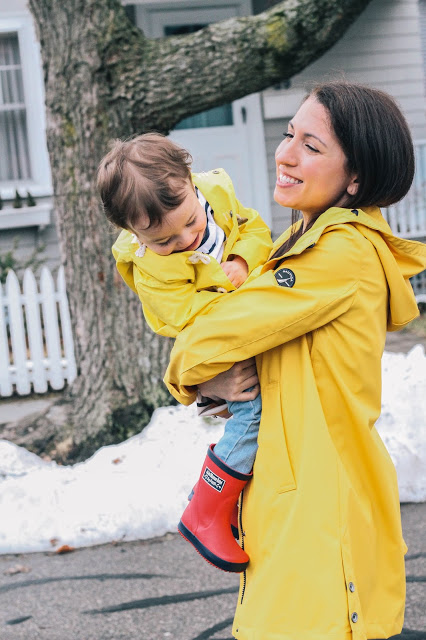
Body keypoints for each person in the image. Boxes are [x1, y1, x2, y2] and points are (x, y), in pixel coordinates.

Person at [164, 82, 426, 640]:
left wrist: (191, 370)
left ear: (355, 177)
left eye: (311, 145)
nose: (285, 153)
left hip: (320, 521)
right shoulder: (302, 244)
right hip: (294, 505)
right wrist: (217, 383)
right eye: (289, 135)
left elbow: (212, 336)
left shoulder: (339, 252)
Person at [96, 133, 273, 573]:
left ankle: (233, 499)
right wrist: (240, 299)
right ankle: (207, 510)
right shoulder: (152, 270)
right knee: (251, 414)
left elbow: (252, 226)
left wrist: (242, 260)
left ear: (192, 184)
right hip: (214, 338)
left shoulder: (216, 194)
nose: (187, 240)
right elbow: (191, 319)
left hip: (250, 309)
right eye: (165, 241)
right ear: (133, 233)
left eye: (191, 222)